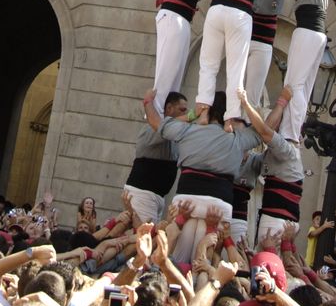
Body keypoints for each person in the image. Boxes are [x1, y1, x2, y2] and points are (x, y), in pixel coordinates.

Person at [143, 90, 260, 265]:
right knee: (203, 263)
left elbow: (156, 122)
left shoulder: (189, 129)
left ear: (207, 110)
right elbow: (266, 130)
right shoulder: (238, 138)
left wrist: (147, 103)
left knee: (175, 258)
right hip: (219, 204)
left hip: (186, 200)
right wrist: (278, 103)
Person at [180, 0, 267, 127]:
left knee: (208, 65)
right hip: (240, 13)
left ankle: (203, 113)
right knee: (236, 68)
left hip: (217, 10)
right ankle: (231, 118)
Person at [265, 0, 328, 144]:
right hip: (317, 34)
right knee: (304, 84)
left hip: (308, 30)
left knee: (295, 83)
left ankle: (290, 133)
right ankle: (294, 128)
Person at [152, 0, 212, 115]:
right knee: (167, 70)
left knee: (176, 72)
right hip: (173, 17)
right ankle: (155, 113)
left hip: (183, 19)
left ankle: (168, 115)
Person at [236, 86, 305, 242]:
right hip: (282, 219)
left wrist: (281, 102)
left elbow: (265, 131)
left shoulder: (286, 148)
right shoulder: (273, 155)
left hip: (276, 220)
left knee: (266, 261)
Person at [123, 90, 188, 224]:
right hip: (143, 193)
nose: (185, 114)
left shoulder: (174, 136)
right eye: (182, 110)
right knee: (143, 238)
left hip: (156, 196)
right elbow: (166, 127)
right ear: (169, 108)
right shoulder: (151, 129)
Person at [244, 0, 296, 111]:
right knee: (235, 88)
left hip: (263, 42)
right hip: (243, 40)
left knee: (253, 95)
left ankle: (246, 125)